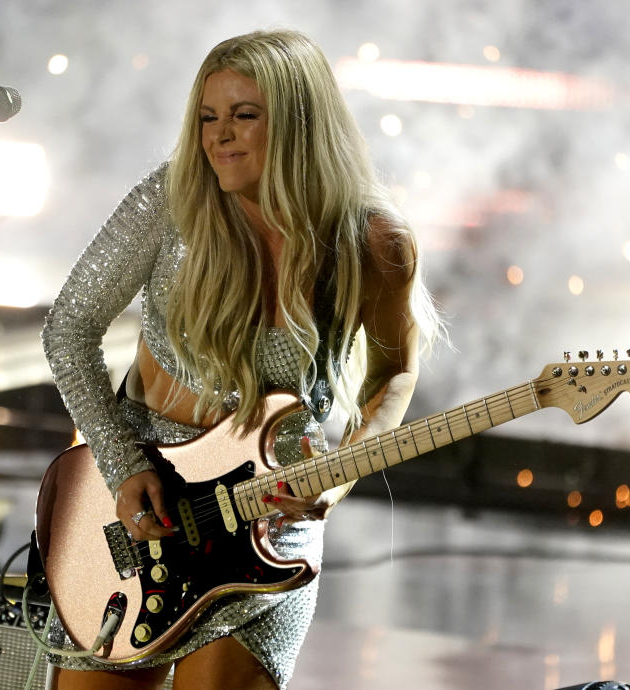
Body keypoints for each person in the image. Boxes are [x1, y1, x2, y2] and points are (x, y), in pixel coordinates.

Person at [41, 28, 442, 690]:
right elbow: (69, 328)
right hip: (136, 517)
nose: (219, 136)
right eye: (208, 118)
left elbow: (395, 372)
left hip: (263, 531)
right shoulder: (171, 203)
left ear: (297, 123)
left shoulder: (373, 240)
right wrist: (121, 465)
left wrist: (337, 477)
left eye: (244, 116)